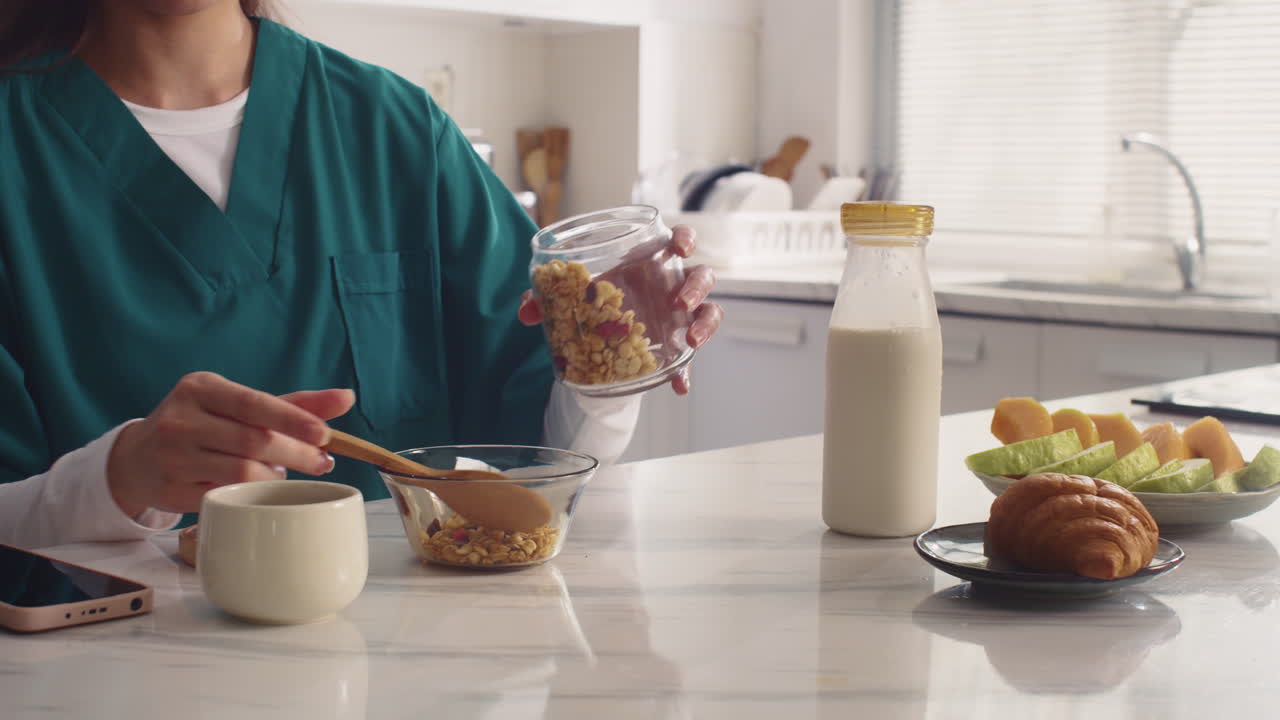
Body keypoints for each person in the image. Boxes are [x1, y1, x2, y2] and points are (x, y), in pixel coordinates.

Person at [0, 0, 722, 549]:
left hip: (402, 667)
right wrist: (117, 478)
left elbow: (540, 459)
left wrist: (611, 348)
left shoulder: (394, 128)